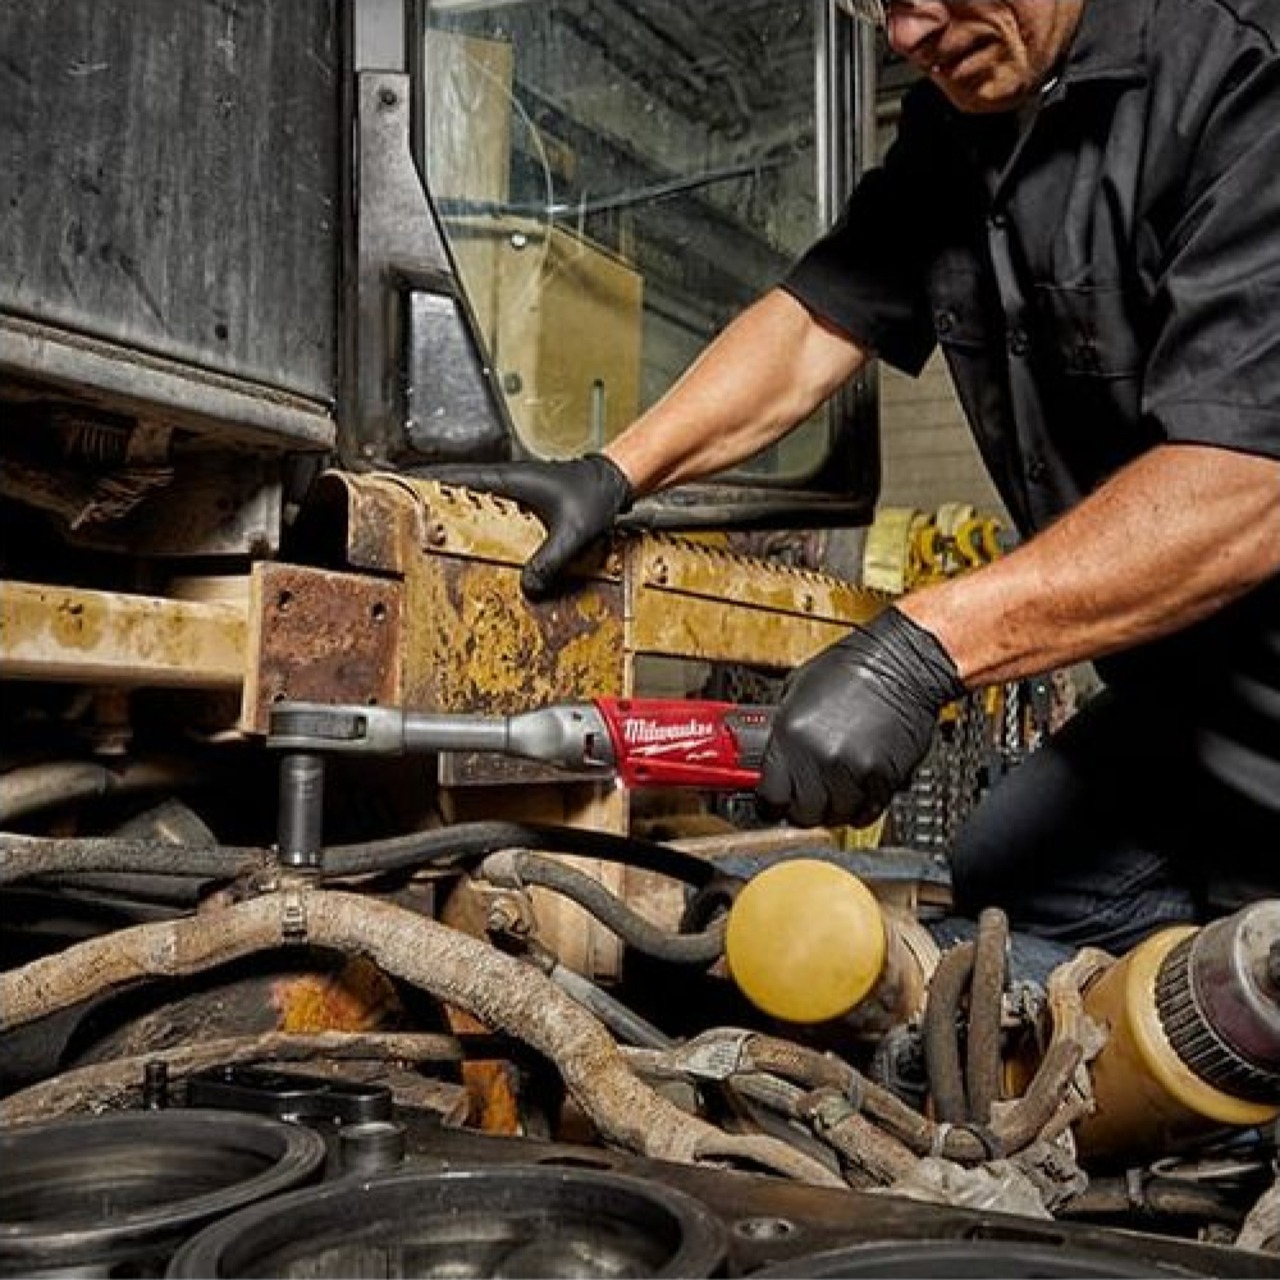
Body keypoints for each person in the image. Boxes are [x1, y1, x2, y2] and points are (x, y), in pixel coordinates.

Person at [434, 0, 1280, 953]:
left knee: (1238, 987)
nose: (905, 37)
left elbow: (1246, 488)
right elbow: (815, 324)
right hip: (1182, 706)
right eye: (880, 2)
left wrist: (919, 651)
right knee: (1001, 891)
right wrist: (613, 471)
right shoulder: (958, 128)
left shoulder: (1245, 80)